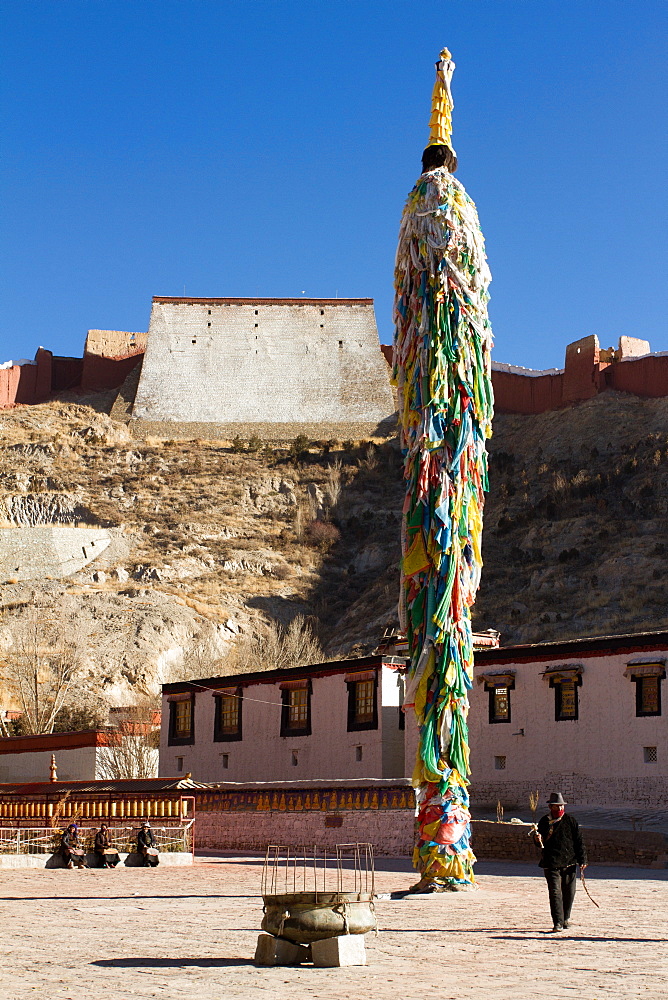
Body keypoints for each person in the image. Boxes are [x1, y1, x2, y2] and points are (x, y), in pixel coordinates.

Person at [533, 792, 587, 932]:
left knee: (569, 892)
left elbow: (579, 841)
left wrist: (582, 860)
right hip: (551, 863)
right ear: (551, 807)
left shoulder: (570, 821)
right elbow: (541, 844)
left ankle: (565, 919)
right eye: (557, 807)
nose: (560, 809)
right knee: (555, 892)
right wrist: (537, 839)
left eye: (562, 806)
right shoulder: (544, 822)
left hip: (569, 862)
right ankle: (557, 922)